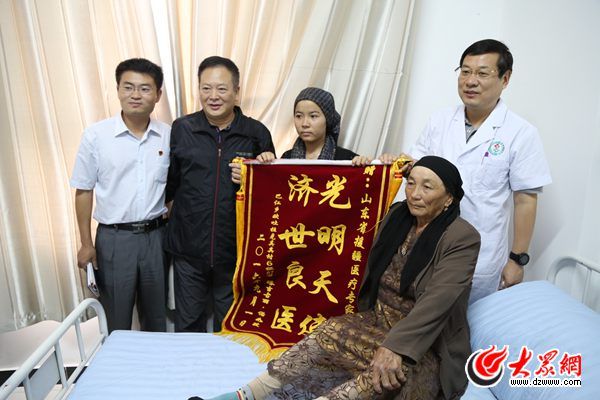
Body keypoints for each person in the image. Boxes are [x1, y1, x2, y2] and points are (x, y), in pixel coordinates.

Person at [192, 156, 481, 400]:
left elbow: (438, 301)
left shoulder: (462, 238)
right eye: (411, 183)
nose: (415, 194)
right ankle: (243, 395)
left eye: (427, 187)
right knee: (328, 331)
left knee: (389, 373)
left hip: (424, 345)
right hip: (377, 323)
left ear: (449, 198)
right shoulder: (398, 216)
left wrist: (395, 348)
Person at [385, 39, 552, 303]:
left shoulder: (521, 133)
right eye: (465, 71)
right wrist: (395, 164)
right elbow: (416, 167)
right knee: (414, 313)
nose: (470, 81)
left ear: (505, 79)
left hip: (479, 254)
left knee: (463, 323)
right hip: (426, 243)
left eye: (482, 73)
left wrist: (517, 260)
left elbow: (525, 200)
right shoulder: (440, 120)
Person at [165, 56, 275, 332]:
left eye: (222, 89)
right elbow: (171, 183)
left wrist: (254, 178)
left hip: (235, 252)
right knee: (188, 325)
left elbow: (271, 194)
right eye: (206, 88)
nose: (213, 96)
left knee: (231, 327)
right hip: (189, 250)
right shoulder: (183, 128)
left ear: (236, 92)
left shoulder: (256, 133)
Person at [70, 58, 170, 333]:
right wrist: (86, 244)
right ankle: (116, 360)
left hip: (156, 238)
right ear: (118, 90)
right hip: (114, 239)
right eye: (128, 87)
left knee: (156, 317)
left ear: (158, 95)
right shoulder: (96, 136)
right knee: (116, 318)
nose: (136, 95)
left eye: (145, 88)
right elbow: (83, 190)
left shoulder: (168, 136)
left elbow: (174, 187)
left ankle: (154, 360)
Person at [250, 87, 370, 166]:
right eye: (299, 116)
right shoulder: (287, 158)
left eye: (313, 116)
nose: (304, 124)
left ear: (327, 119)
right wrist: (266, 163)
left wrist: (365, 165)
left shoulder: (346, 159)